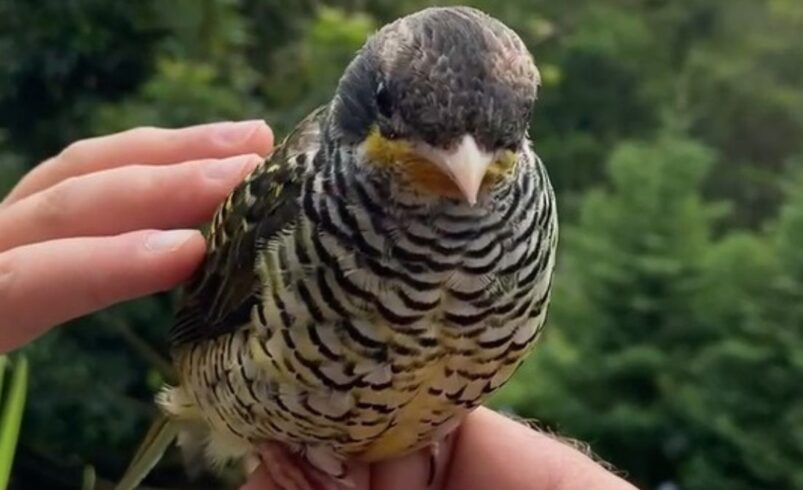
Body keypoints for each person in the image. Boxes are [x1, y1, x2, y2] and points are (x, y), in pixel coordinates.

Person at [0, 121, 636, 490]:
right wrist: (268, 438)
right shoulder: (296, 196)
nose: (464, 171)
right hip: (244, 388)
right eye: (419, 128)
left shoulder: (527, 213)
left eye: (494, 144)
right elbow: (202, 329)